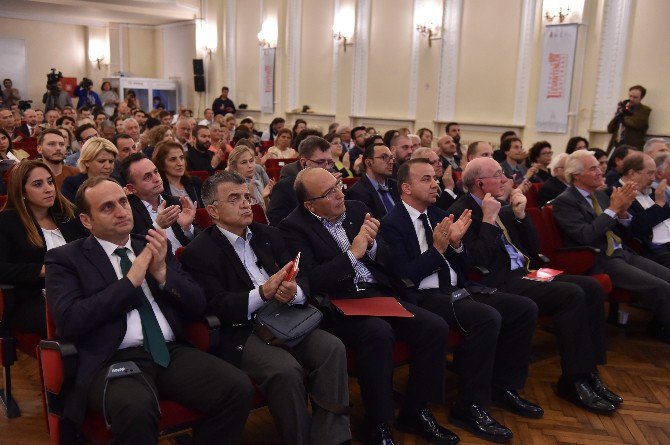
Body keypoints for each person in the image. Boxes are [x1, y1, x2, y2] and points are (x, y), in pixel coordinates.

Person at [44, 176, 253, 444]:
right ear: (87, 220)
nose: (121, 211)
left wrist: (164, 274)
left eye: (123, 202)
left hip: (169, 352)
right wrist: (130, 282)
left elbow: (198, 303)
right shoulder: (65, 259)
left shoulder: (150, 244)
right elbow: (71, 320)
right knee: (136, 408)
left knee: (237, 388)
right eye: (108, 207)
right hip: (112, 359)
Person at [280, 167, 458, 445]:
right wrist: (353, 253)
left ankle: (416, 411)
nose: (340, 194)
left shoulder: (356, 209)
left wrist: (373, 246)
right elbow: (312, 280)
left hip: (376, 293)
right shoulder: (292, 227)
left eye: (338, 185)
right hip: (338, 303)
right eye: (329, 193)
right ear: (310, 205)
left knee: (434, 326)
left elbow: (389, 259)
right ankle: (378, 422)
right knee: (377, 332)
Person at [180, 172, 351, 445]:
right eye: (234, 199)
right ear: (213, 210)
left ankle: (331, 438)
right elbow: (217, 305)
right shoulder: (199, 252)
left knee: (332, 348)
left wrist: (294, 292)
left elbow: (301, 276)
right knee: (285, 370)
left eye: (247, 197)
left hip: (286, 317)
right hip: (243, 331)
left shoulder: (269, 234)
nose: (246, 204)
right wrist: (262, 293)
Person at [380, 159, 543, 442]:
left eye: (435, 178)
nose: (435, 184)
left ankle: (503, 386)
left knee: (523, 308)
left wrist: (455, 245)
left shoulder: (439, 214)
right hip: (423, 296)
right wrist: (438, 249)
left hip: (457, 288)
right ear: (405, 188)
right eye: (426, 179)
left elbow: (466, 263)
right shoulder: (392, 224)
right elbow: (403, 278)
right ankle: (468, 405)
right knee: (486, 318)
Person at [448, 157, 622, 414]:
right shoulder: (463, 210)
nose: (505, 179)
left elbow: (533, 249)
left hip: (527, 272)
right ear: (480, 183)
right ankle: (573, 380)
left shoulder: (500, 205)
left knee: (592, 288)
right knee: (571, 295)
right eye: (498, 174)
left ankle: (588, 371)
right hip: (499, 281)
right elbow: (476, 261)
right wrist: (487, 220)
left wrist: (519, 217)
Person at [552, 150, 670, 343]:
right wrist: (613, 209)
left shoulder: (600, 195)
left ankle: (661, 326)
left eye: (598, 167)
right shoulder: (565, 202)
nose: (600, 171)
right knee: (662, 287)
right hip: (600, 258)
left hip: (622, 251)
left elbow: (621, 229)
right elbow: (585, 236)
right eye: (593, 168)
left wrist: (623, 213)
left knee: (668, 277)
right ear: (577, 175)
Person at [0, 160, 87, 336]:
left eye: (50, 181)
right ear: (22, 192)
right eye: (38, 184)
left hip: (80, 289)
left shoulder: (68, 215)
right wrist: (43, 270)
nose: (48, 188)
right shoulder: (7, 222)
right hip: (34, 298)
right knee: (80, 317)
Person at [120, 153, 197, 254]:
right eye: (147, 177)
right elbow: (132, 247)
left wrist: (188, 228)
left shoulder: (176, 202)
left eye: (156, 172)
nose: (156, 179)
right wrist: (157, 226)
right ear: (132, 188)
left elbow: (200, 242)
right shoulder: (126, 212)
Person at [267, 136, 336, 226]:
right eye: (320, 162)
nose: (327, 167)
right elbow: (279, 224)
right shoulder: (284, 188)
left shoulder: (335, 185)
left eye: (329, 162)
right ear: (304, 163)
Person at [345, 143, 398, 220]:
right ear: (369, 163)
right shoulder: (357, 193)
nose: (391, 162)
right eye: (384, 157)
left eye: (391, 158)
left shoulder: (395, 185)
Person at [61, 136, 117, 202]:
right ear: (87, 162)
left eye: (111, 161)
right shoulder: (72, 184)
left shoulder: (116, 182)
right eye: (101, 161)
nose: (108, 166)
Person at [153, 141, 203, 208]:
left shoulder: (195, 182)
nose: (180, 163)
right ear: (162, 164)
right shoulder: (159, 189)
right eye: (173, 159)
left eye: (181, 158)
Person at [227, 145, 274, 210]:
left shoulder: (255, 178)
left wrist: (265, 197)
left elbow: (265, 213)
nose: (250, 166)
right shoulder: (230, 186)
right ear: (233, 167)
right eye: (244, 162)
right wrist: (259, 196)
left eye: (251, 161)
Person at [607, 85, 651, 151]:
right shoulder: (624, 108)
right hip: (616, 146)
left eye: (635, 97)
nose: (631, 99)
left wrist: (623, 115)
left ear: (641, 98)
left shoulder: (644, 110)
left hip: (632, 147)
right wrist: (618, 114)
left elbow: (635, 123)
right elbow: (610, 129)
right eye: (630, 96)